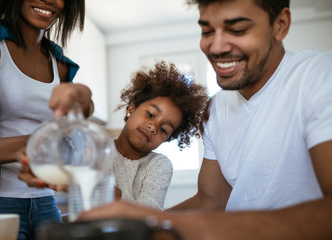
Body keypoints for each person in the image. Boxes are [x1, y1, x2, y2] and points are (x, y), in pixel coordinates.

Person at [77, 0, 332, 239]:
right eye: (208, 31)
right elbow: (210, 202)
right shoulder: (216, 108)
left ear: (280, 25)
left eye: (238, 29)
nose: (217, 47)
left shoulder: (319, 77)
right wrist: (144, 225)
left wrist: (172, 225)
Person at [0, 0, 93, 239]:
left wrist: (84, 95)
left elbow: (80, 112)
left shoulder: (59, 63)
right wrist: (39, 144)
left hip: (46, 203)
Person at [18, 60, 209, 211]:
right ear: (131, 108)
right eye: (150, 115)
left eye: (164, 130)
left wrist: (97, 183)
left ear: (167, 139)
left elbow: (148, 213)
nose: (152, 127)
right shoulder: (96, 147)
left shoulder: (159, 165)